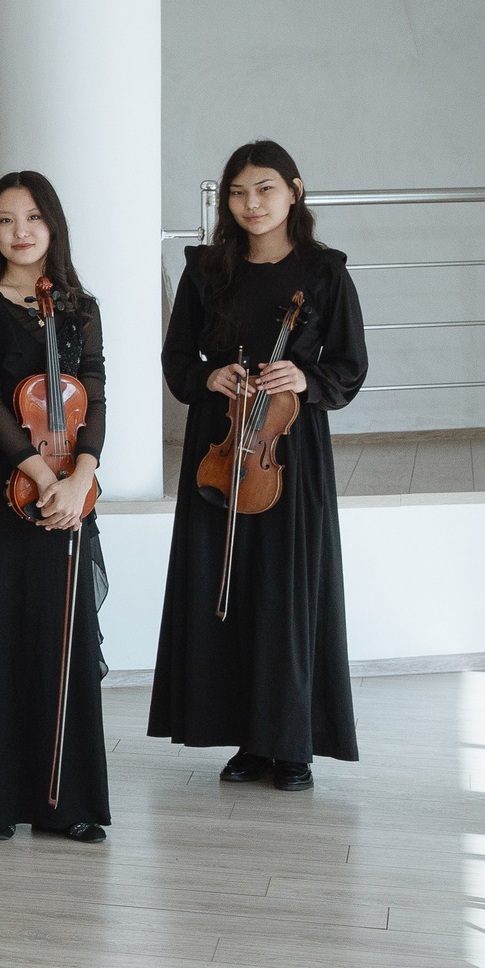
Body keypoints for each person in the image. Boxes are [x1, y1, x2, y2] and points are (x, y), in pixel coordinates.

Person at [151, 140, 368, 792]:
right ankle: (248, 740)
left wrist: (303, 376)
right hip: (219, 449)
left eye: (264, 189)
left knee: (287, 591)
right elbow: (176, 361)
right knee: (228, 589)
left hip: (285, 449)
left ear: (294, 191)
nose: (251, 204)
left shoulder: (324, 272)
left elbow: (349, 366)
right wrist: (208, 374)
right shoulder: (205, 270)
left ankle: (291, 742)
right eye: (239, 192)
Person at [0, 171, 110, 845]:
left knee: (59, 635)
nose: (20, 230)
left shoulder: (80, 305)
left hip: (70, 483)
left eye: (32, 217)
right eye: (6, 220)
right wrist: (41, 474)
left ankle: (70, 801)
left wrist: (81, 478)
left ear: (52, 224)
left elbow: (95, 394)